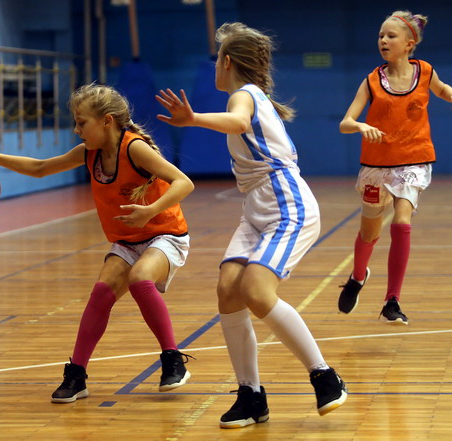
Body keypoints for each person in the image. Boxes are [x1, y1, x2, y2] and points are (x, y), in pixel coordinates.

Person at [156, 22, 347, 429]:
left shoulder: (243, 95)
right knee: (228, 289)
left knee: (257, 291)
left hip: (286, 205)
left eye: (216, 59)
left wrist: (192, 119)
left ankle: (325, 376)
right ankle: (251, 396)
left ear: (227, 62)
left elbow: (240, 122)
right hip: (257, 207)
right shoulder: (253, 95)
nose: (214, 66)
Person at [0, 83, 195, 402]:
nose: (76, 130)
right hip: (127, 240)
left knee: (140, 278)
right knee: (101, 293)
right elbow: (41, 168)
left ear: (106, 121)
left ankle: (173, 359)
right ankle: (77, 375)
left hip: (166, 234)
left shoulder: (134, 149)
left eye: (82, 123)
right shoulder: (88, 154)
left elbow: (184, 182)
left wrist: (150, 210)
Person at [337, 11, 452, 325]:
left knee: (401, 222)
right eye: (381, 36)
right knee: (369, 232)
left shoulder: (425, 71)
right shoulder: (371, 80)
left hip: (413, 160)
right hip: (376, 164)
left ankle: (391, 300)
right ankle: (357, 277)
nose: (383, 40)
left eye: (391, 36)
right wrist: (360, 125)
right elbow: (345, 122)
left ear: (409, 44)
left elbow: (441, 88)